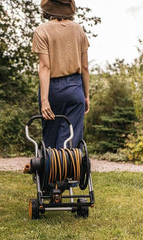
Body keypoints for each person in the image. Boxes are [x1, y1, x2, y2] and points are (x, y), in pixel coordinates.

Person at [32, 0, 90, 149]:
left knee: (50, 137)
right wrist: (86, 96)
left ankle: (51, 169)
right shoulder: (79, 30)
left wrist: (45, 100)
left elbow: (45, 67)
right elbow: (84, 67)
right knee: (71, 135)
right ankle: (67, 168)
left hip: (52, 89)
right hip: (76, 87)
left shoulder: (42, 31)